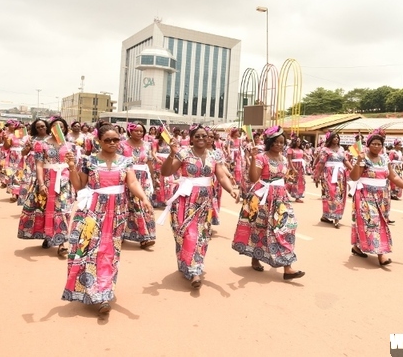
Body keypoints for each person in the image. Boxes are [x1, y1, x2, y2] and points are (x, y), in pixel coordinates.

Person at [62, 124, 153, 314]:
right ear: (99, 141)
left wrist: (143, 198)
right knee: (91, 249)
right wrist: (71, 168)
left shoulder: (126, 161)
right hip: (94, 210)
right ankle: (92, 290)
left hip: (118, 211)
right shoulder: (89, 161)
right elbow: (79, 186)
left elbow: (133, 182)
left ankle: (103, 293)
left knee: (110, 252)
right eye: (108, 140)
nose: (112, 143)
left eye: (115, 139)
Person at [160, 124, 239, 289]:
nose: (201, 139)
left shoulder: (214, 155)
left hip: (204, 201)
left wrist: (231, 190)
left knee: (200, 235)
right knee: (186, 234)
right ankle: (187, 264)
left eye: (204, 136)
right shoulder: (183, 153)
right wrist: (171, 155)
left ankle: (195, 270)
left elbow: (221, 176)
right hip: (184, 199)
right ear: (191, 138)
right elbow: (166, 172)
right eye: (197, 136)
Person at [232, 125, 305, 279]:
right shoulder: (261, 157)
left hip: (280, 198)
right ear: (269, 142)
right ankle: (256, 256)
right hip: (262, 197)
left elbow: (282, 177)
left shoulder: (284, 159)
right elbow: (253, 178)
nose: (279, 145)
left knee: (286, 228)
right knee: (261, 228)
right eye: (276, 142)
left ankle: (287, 267)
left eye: (282, 142)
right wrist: (252, 158)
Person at [349, 129, 403, 265]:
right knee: (373, 222)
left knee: (379, 222)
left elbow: (394, 176)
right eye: (373, 144)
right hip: (365, 195)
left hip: (383, 195)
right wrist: (358, 162)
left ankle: (357, 246)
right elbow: (354, 176)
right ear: (368, 145)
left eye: (379, 144)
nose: (376, 146)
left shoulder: (385, 159)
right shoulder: (363, 158)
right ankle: (381, 254)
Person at [17, 117, 77, 256]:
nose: (59, 129)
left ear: (65, 129)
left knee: (63, 210)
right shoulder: (41, 144)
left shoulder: (70, 146)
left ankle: (62, 243)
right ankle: (48, 235)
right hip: (48, 179)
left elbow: (74, 166)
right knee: (45, 210)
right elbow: (39, 165)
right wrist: (41, 183)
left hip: (64, 181)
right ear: (51, 128)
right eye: (55, 126)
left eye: (61, 127)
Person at [118, 122, 156, 249]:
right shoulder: (122, 145)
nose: (139, 133)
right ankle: (121, 233)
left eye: (141, 131)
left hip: (144, 179)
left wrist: (153, 178)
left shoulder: (147, 145)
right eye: (136, 131)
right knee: (126, 206)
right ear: (130, 131)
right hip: (127, 178)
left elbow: (150, 163)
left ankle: (146, 235)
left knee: (144, 205)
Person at [313, 131, 353, 228]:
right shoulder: (325, 150)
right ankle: (328, 216)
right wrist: (317, 176)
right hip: (328, 175)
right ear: (330, 139)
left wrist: (353, 169)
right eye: (334, 137)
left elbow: (345, 160)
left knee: (339, 194)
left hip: (340, 176)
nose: (336, 139)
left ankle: (336, 217)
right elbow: (321, 163)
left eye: (337, 137)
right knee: (330, 194)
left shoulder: (341, 149)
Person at [286, 135, 306, 203]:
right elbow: (289, 160)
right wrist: (293, 169)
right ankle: (286, 195)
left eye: (300, 141)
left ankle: (297, 197)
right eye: (297, 141)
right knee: (291, 181)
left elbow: (303, 156)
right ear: (294, 141)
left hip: (301, 167)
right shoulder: (290, 149)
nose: (299, 142)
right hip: (293, 167)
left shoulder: (301, 150)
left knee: (300, 182)